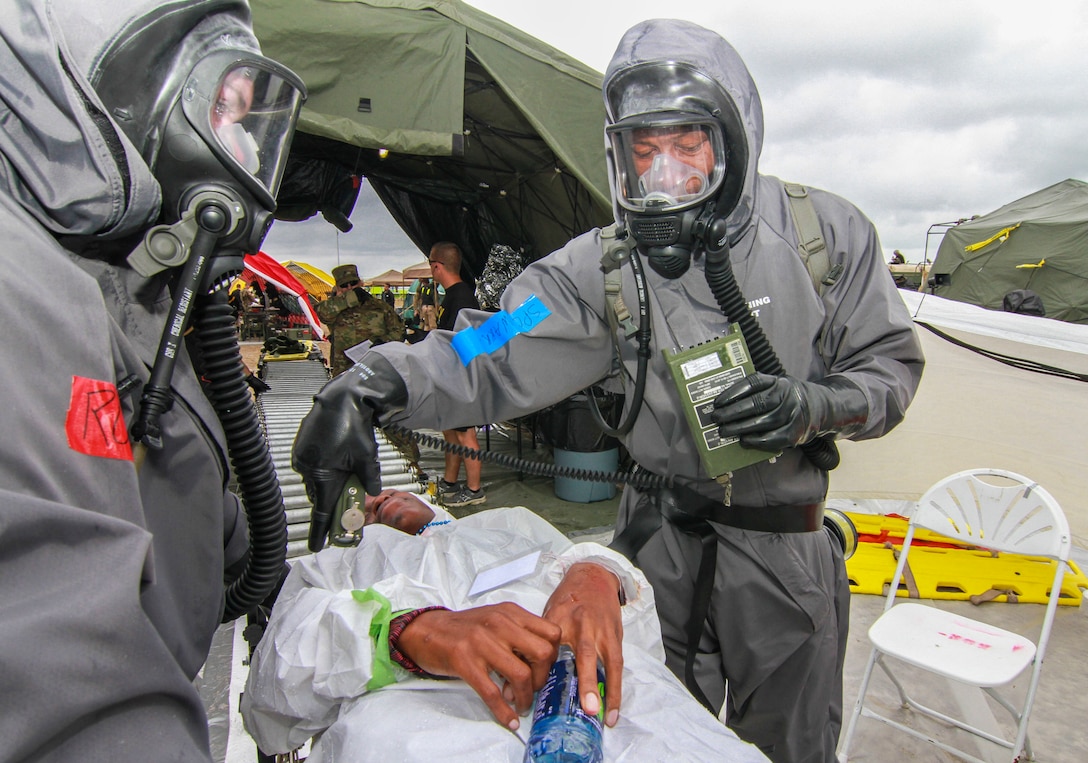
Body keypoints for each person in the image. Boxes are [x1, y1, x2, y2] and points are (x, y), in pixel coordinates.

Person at [292, 19, 924, 763]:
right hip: (652, 551)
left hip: (785, 550)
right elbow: (493, 339)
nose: (664, 175)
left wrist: (812, 407)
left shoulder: (828, 237)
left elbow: (890, 371)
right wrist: (378, 378)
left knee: (789, 747)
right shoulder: (598, 270)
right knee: (642, 737)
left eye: (686, 145)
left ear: (732, 138)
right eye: (642, 151)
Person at [0, 1, 306, 760]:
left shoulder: (129, 296)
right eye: (223, 110)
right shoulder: (32, 287)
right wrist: (391, 379)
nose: (238, 146)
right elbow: (497, 341)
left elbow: (174, 492)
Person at [241, 490, 770, 763]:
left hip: (622, 721)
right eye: (373, 508)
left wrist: (600, 571)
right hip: (425, 733)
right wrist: (401, 633)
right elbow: (271, 696)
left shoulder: (507, 523)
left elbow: (638, 644)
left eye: (389, 495)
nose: (381, 500)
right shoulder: (354, 564)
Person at [429, 242, 487, 507]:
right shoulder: (453, 295)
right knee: (451, 432)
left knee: (466, 435)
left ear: (437, 266)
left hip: (463, 376)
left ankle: (475, 490)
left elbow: (463, 341)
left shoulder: (462, 297)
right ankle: (450, 482)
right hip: (451, 374)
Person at [317, 263, 405, 377]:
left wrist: (382, 342)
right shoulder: (334, 307)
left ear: (360, 283)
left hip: (375, 368)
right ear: (338, 287)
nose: (350, 288)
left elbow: (399, 332)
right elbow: (322, 313)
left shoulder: (379, 306)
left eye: (353, 283)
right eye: (344, 285)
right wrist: (349, 298)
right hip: (344, 369)